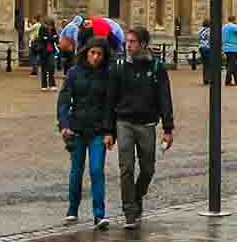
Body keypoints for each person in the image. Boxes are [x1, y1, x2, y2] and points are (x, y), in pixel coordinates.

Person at [109, 25, 174, 228]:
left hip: (147, 124)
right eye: (127, 42)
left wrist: (168, 128)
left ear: (143, 44)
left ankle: (137, 196)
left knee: (148, 168)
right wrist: (108, 131)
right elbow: (111, 99)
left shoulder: (156, 67)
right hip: (124, 123)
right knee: (126, 168)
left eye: (132, 42)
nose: (128, 45)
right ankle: (129, 211)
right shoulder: (118, 66)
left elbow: (164, 98)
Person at [57, 36, 115, 230]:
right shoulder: (74, 73)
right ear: (86, 53)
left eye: (99, 54)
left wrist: (109, 131)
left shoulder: (108, 75)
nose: (96, 57)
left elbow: (110, 106)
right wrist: (64, 124)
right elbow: (64, 100)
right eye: (93, 53)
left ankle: (99, 214)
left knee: (97, 170)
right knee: (76, 171)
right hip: (77, 128)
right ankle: (72, 209)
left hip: (98, 129)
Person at [36, 16, 59, 90]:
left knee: (51, 66)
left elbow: (56, 38)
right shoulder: (42, 29)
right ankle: (44, 85)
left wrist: (51, 38)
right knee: (44, 68)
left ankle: (52, 84)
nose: (50, 27)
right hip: (43, 51)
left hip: (51, 50)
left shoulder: (53, 30)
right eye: (49, 25)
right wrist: (51, 38)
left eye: (51, 25)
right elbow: (43, 38)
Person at [221, 17, 237, 87]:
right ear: (234, 20)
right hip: (233, 48)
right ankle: (228, 81)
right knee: (231, 65)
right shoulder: (234, 26)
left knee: (232, 64)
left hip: (225, 47)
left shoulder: (224, 27)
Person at [198, 19, 214, 86]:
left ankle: (205, 79)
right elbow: (210, 39)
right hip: (207, 48)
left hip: (201, 47)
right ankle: (208, 78)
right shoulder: (209, 30)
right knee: (209, 64)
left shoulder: (200, 30)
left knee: (205, 64)